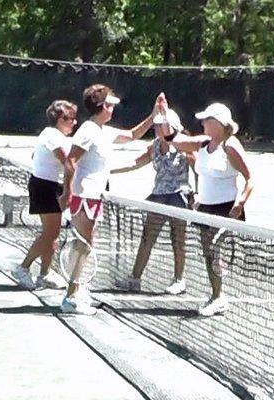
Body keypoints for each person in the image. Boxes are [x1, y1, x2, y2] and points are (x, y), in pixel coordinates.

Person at [57, 84, 160, 315]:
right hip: (84, 195)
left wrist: (154, 117)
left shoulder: (104, 131)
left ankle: (77, 289)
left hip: (94, 196)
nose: (113, 108)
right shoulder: (88, 130)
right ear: (103, 106)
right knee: (83, 246)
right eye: (111, 104)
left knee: (84, 245)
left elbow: (133, 135)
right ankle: (70, 297)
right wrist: (67, 193)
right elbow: (71, 161)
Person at [159, 100, 254, 316]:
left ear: (219, 123)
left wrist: (241, 202)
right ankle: (217, 295)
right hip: (205, 209)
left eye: (206, 120)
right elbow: (173, 139)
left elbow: (251, 178)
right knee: (209, 254)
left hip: (227, 209)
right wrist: (164, 115)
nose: (202, 123)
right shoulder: (202, 143)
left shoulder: (230, 146)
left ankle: (218, 297)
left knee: (212, 250)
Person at [111, 108, 195, 295]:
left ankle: (179, 279)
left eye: (161, 125)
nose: (158, 128)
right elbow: (135, 163)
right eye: (156, 125)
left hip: (179, 196)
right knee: (147, 238)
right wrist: (108, 170)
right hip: (158, 196)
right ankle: (135, 279)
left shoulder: (183, 143)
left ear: (172, 126)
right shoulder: (155, 145)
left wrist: (197, 195)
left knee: (178, 239)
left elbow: (197, 167)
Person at [11, 100, 78, 290]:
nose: (74, 122)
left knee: (52, 234)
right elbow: (68, 162)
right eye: (69, 118)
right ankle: (22, 268)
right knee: (50, 233)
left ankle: (45, 274)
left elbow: (36, 157)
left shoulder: (56, 136)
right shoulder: (51, 134)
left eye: (74, 118)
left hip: (50, 185)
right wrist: (68, 191)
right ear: (59, 119)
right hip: (43, 187)